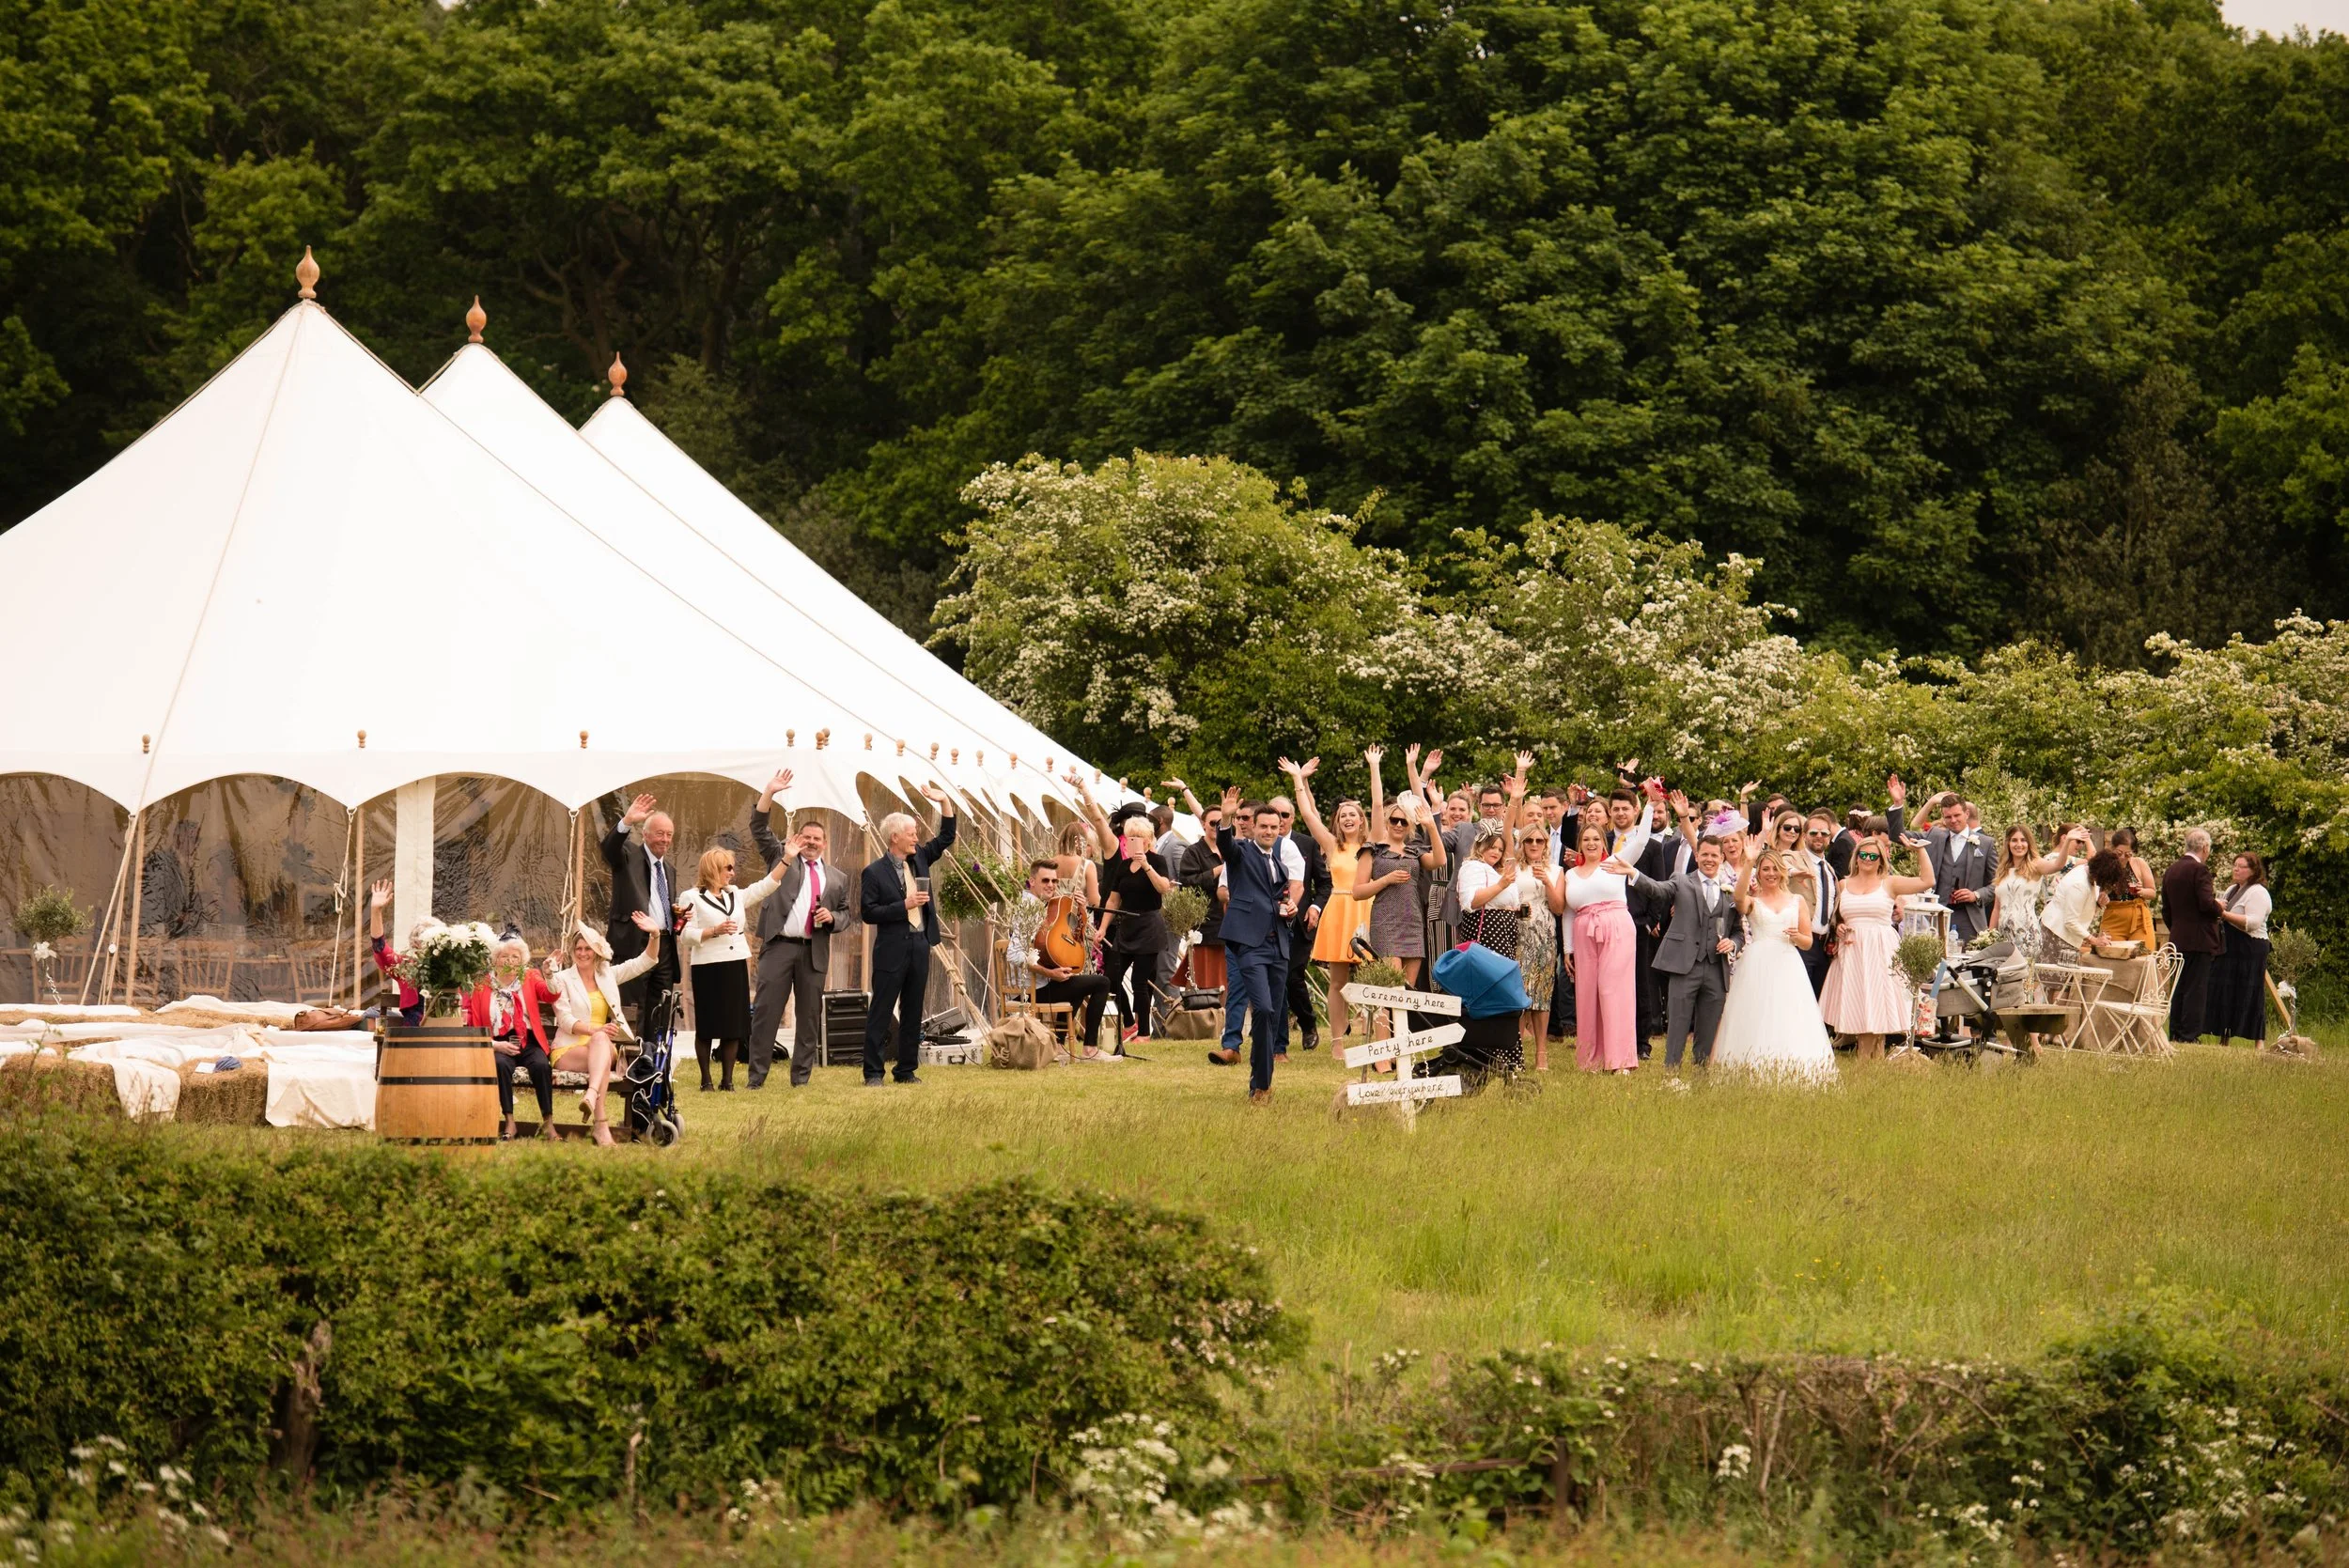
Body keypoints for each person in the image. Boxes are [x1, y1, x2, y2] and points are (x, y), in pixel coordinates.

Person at [746, 769, 852, 1089]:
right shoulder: (782, 856)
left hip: (814, 952)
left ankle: (801, 1080)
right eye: (806, 837)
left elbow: (847, 914)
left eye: (816, 839)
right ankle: (756, 1079)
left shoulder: (837, 877)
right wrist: (769, 793)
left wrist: (832, 918)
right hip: (780, 946)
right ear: (797, 839)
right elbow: (759, 828)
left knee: (808, 1020)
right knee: (766, 1013)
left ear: (824, 843)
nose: (810, 843)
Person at [858, 783, 957, 1085]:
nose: (917, 837)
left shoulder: (921, 858)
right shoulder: (873, 872)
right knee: (882, 1011)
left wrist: (945, 802)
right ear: (895, 837)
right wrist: (904, 905)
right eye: (911, 833)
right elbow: (868, 913)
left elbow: (947, 837)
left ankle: (906, 1070)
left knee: (913, 1010)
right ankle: (874, 1073)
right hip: (891, 949)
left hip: (920, 944)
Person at [1709, 845, 1835, 1081]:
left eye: (1775, 869)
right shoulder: (1753, 900)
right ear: (1759, 873)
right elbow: (1737, 898)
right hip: (1757, 962)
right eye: (1765, 869)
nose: (1770, 873)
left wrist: (1796, 937)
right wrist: (1749, 863)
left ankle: (1790, 1067)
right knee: (1755, 1011)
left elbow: (1808, 942)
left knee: (1788, 1012)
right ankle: (1749, 1067)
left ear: (1782, 872)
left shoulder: (1797, 900)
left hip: (1788, 962)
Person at [1563, 779, 1661, 1074]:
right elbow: (1568, 912)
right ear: (1580, 844)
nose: (1591, 843)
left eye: (1596, 839)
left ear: (1603, 843)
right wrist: (1568, 949)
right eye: (1586, 840)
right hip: (1582, 933)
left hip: (1616, 928)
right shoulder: (1571, 875)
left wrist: (1652, 805)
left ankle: (1620, 1060)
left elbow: (1642, 841)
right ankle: (1592, 1059)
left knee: (1612, 991)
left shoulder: (1616, 862)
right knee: (1588, 994)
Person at [1213, 784, 1302, 1103]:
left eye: (1273, 827)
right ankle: (1258, 1082)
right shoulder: (1241, 852)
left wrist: (1290, 909)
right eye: (1262, 826)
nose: (1268, 831)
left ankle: (1261, 1085)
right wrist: (1225, 818)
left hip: (1279, 945)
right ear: (1252, 827)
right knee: (1262, 1008)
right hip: (1249, 945)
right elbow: (1225, 845)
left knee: (1273, 1015)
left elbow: (1281, 899)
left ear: (1281, 830)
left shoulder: (1280, 864)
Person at [1626, 833, 1742, 1071]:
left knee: (1709, 1025)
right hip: (1684, 965)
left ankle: (1701, 1075)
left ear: (1722, 858)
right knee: (1678, 1022)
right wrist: (1633, 874)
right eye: (1705, 854)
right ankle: (1672, 1073)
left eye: (1714, 855)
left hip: (1716, 968)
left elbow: (1738, 930)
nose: (1709, 859)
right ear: (1697, 856)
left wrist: (1733, 943)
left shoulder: (1730, 891)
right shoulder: (1680, 881)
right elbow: (1657, 889)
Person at [677, 843, 786, 1093]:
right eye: (728, 868)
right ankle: (706, 1081)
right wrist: (713, 931)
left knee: (733, 1025)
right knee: (708, 1024)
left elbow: (766, 885)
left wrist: (787, 859)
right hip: (708, 966)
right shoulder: (691, 897)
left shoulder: (734, 893)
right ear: (714, 868)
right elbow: (684, 935)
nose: (732, 873)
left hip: (735, 963)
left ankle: (728, 1081)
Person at [550, 911, 664, 1146]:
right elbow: (565, 1020)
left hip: (602, 1048)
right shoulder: (562, 978)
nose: (583, 953)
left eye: (588, 949)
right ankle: (601, 1125)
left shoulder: (608, 975)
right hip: (570, 1050)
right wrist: (596, 1030)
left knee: (601, 1043)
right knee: (600, 1042)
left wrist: (654, 934)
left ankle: (591, 1096)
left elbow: (646, 961)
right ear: (573, 952)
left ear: (596, 952)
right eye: (578, 948)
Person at [1821, 831, 1932, 1059]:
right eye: (1864, 854)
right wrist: (1840, 927)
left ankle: (1867, 1061)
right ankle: (1873, 1061)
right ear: (1856, 856)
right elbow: (1840, 917)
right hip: (1852, 949)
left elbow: (1927, 881)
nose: (1867, 860)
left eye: (1873, 856)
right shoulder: (1844, 884)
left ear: (1881, 860)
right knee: (1858, 1003)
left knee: (1877, 1003)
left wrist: (1920, 850)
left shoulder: (1889, 883)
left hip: (1881, 949)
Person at [1284, 758, 1374, 1042]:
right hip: (1339, 911)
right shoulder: (1332, 845)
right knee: (1338, 982)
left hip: (1368, 910)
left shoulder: (1374, 846)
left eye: (1353, 814)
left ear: (1362, 820)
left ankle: (1373, 1037)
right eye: (1342, 815)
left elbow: (1381, 806)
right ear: (1337, 821)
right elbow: (1308, 813)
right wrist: (1300, 779)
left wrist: (1374, 768)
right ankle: (1337, 1041)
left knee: (1374, 978)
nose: (1347, 818)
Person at [1006, 859, 1117, 1057]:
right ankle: (1090, 1048)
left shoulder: (1045, 907)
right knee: (1101, 983)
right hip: (1030, 990)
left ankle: (1057, 1045)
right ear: (1032, 882)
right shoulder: (1028, 910)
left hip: (1041, 985)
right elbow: (1013, 955)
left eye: (1054, 881)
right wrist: (1049, 972)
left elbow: (1075, 936)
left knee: (1073, 978)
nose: (1051, 885)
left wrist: (1081, 909)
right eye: (1045, 880)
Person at [1360, 747, 1447, 986]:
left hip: (1412, 923)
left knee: (1408, 993)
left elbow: (1440, 861)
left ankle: (1402, 1027)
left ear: (1409, 824)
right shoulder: (1373, 848)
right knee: (1390, 991)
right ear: (1387, 822)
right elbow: (1358, 892)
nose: (1398, 824)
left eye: (1403, 821)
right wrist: (1386, 880)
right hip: (1385, 922)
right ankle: (1382, 1025)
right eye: (1394, 820)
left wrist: (1430, 826)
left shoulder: (1414, 849)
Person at [600, 792, 682, 1029]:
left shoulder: (669, 868)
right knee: (632, 1007)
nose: (665, 839)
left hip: (664, 945)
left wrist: (677, 917)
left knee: (660, 1007)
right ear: (645, 834)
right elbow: (609, 849)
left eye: (669, 835)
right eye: (660, 833)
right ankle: (630, 1059)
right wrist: (627, 821)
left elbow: (657, 904)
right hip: (634, 942)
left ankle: (653, 1058)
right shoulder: (628, 855)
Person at [466, 937, 558, 1140]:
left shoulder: (531, 976)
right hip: (498, 1041)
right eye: (504, 956)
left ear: (523, 960)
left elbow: (551, 996)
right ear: (495, 960)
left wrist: (550, 974)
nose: (509, 961)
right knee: (500, 1065)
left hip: (528, 1039)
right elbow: (473, 1023)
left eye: (515, 956)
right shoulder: (481, 984)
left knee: (542, 1066)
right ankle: (510, 1122)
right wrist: (495, 1045)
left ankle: (548, 1123)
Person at [1095, 815, 1173, 1048]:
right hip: (1126, 926)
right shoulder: (1123, 866)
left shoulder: (1157, 862)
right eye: (1130, 838)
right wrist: (1102, 928)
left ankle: (1145, 1032)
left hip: (1149, 925)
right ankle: (1129, 1022)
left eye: (1139, 838)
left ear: (1149, 840)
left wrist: (1146, 865)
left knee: (1140, 981)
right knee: (1111, 978)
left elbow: (1164, 888)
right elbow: (1113, 900)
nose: (1134, 842)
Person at [1886, 777, 1995, 943]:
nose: (1953, 820)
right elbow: (1898, 836)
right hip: (1935, 916)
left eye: (1957, 815)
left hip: (1969, 918)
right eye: (1948, 817)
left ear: (1966, 814)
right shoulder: (1935, 836)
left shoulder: (1986, 843)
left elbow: (1996, 884)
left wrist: (1976, 895)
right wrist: (1898, 804)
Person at [1265, 784, 1330, 1054]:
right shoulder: (1259, 844)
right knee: (1273, 979)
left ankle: (1307, 1023)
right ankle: (1275, 1037)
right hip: (1267, 924)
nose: (1279, 820)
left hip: (1301, 923)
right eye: (1274, 813)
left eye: (1285, 814)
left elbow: (1325, 885)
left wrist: (1315, 907)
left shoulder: (1307, 843)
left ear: (1292, 817)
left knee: (1292, 976)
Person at [2162, 829, 2226, 1045]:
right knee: (2196, 989)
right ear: (2205, 848)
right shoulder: (2200, 871)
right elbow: (2206, 904)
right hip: (2199, 938)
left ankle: (2176, 1032)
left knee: (2179, 987)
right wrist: (2220, 907)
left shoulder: (2171, 870)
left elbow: (2166, 910)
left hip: (2178, 937)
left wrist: (2176, 927)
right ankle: (2190, 1035)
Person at [2211, 851, 2273, 1048]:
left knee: (2250, 992)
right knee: (2227, 992)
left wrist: (2223, 914)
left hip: (2250, 948)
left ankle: (2259, 1043)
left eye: (2241, 866)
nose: (2236, 869)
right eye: (2234, 865)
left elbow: (2252, 923)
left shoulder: (2258, 892)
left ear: (2253, 870)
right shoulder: (2231, 889)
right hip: (2230, 947)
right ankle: (2224, 1038)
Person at [366, 879, 440, 1026]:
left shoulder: (450, 966)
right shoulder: (406, 966)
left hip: (445, 1034)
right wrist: (376, 911)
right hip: (412, 1036)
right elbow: (379, 947)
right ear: (414, 944)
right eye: (423, 941)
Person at [1991, 825, 2064, 959]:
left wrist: (2068, 841)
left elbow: (2057, 865)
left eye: (2023, 840)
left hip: (2026, 934)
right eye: (2014, 840)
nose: (2019, 844)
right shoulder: (2002, 870)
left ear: (2029, 843)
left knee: (2024, 978)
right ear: (2008, 843)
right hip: (2003, 936)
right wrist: (1990, 935)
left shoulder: (2036, 865)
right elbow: (1997, 908)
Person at [1177, 802, 1228, 994]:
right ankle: (1197, 1019)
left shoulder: (1233, 849)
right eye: (1213, 822)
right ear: (1203, 825)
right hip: (1206, 925)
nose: (1217, 827)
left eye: (1221, 823)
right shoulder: (1194, 852)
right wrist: (1216, 871)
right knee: (1199, 975)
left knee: (1227, 979)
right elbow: (1187, 884)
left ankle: (1223, 1020)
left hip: (1232, 922)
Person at [2038, 828, 2104, 959]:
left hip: (2059, 915)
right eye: (2078, 841)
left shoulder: (2057, 859)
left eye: (2082, 842)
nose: (2081, 845)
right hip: (2058, 922)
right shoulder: (2057, 859)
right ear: (2064, 838)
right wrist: (2088, 839)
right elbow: (2093, 859)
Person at [1796, 812, 1841, 997]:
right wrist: (1792, 873)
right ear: (1805, 835)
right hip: (1800, 943)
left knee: (1817, 1003)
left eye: (1824, 833)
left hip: (1824, 947)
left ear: (1830, 838)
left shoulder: (1829, 870)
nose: (1819, 837)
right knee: (1799, 999)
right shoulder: (1794, 858)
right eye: (1814, 833)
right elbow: (1782, 864)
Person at [2098, 827, 2159, 947]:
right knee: (2112, 955)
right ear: (2112, 848)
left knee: (2142, 958)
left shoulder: (2139, 863)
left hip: (2139, 919)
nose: (2122, 858)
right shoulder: (2105, 865)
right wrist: (2101, 898)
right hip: (2113, 918)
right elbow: (2096, 893)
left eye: (2128, 854)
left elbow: (2152, 892)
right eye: (2119, 853)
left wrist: (2141, 891)